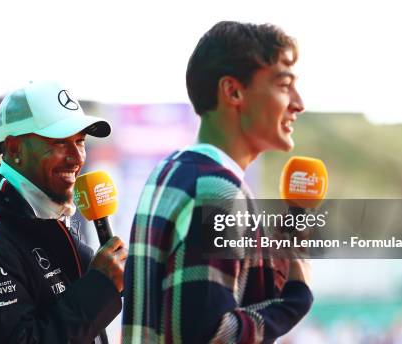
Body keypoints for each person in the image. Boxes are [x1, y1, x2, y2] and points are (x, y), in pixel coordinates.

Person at [122, 21, 313, 343]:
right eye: (283, 85)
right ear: (233, 91)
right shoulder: (219, 191)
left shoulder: (172, 170)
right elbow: (208, 334)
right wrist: (293, 301)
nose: (299, 103)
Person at [0, 80, 127, 344]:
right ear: (15, 148)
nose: (76, 158)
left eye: (80, 141)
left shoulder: (46, 217)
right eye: (60, 142)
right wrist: (99, 289)